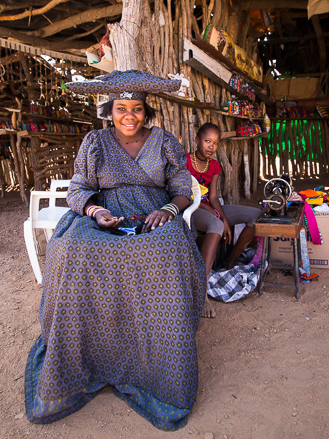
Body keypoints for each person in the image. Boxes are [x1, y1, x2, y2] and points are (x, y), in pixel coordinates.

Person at [24, 70, 206, 431]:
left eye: (137, 109)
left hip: (155, 214)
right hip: (103, 214)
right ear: (110, 110)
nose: (129, 116)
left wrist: (169, 210)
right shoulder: (94, 142)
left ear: (146, 112)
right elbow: (77, 189)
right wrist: (95, 210)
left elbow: (182, 185)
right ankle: (88, 357)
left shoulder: (165, 141)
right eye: (121, 108)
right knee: (73, 249)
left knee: (167, 251)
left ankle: (157, 371)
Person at [186, 123, 261, 318]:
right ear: (197, 140)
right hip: (191, 208)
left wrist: (225, 219)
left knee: (256, 216)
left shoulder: (215, 166)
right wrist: (212, 213)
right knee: (216, 224)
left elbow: (212, 197)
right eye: (207, 141)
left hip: (209, 206)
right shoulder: (185, 161)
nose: (211, 146)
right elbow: (184, 195)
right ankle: (202, 293)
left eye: (215, 143)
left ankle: (231, 259)